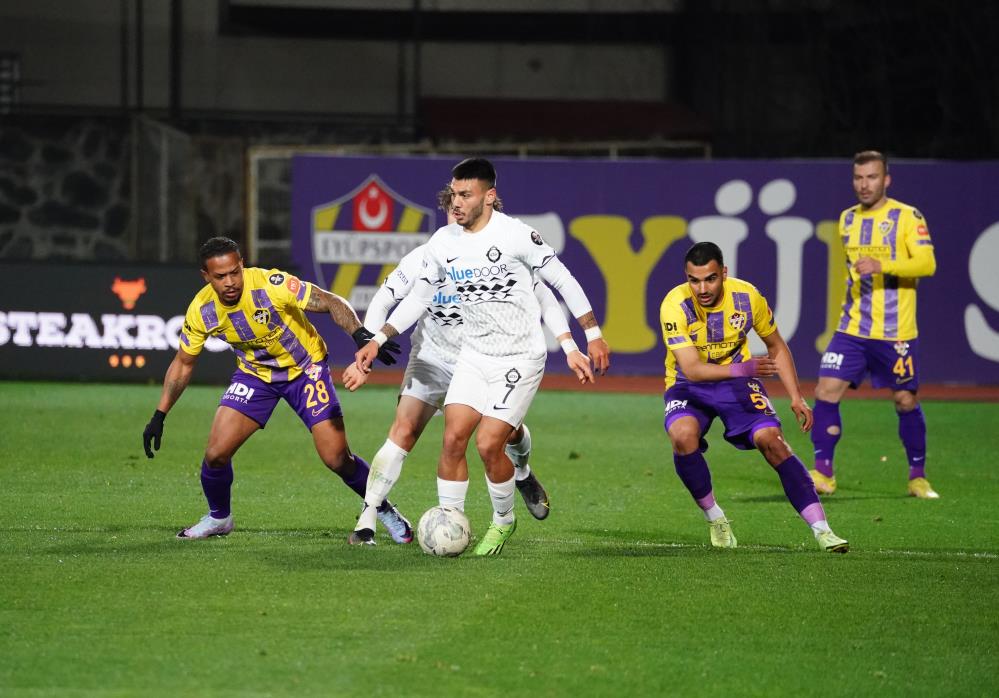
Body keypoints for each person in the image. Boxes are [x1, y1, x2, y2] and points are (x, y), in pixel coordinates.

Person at [355, 158, 610, 556]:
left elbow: (561, 282)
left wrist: (586, 338)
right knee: (453, 438)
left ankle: (504, 520)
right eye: (453, 194)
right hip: (473, 355)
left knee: (490, 443)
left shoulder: (516, 236)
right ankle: (450, 523)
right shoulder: (443, 243)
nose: (456, 203)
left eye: (465, 195)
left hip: (519, 356)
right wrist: (378, 338)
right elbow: (418, 298)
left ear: (489, 196)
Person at [141, 236, 411, 540]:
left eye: (234, 272)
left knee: (336, 458)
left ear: (242, 265)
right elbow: (183, 363)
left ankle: (382, 508)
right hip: (256, 377)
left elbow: (329, 300)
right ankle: (219, 517)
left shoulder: (271, 284)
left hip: (305, 370)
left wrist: (359, 333)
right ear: (206, 276)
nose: (230, 282)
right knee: (216, 454)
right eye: (220, 276)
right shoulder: (202, 310)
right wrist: (160, 414)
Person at [660, 241, 848, 552]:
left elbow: (776, 345)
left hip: (737, 383)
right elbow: (692, 370)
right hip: (688, 385)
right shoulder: (674, 305)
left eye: (710, 279)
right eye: (694, 280)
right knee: (682, 436)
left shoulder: (747, 296)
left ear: (724, 273)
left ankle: (823, 530)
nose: (702, 288)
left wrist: (796, 397)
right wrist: (743, 368)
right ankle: (715, 518)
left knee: (772, 441)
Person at [810, 151, 939, 499]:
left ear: (886, 180)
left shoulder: (907, 216)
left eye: (871, 177)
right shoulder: (847, 219)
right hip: (852, 328)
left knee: (905, 400)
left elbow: (927, 264)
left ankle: (917, 477)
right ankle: (823, 474)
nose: (864, 184)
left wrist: (882, 265)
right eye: (858, 178)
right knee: (825, 391)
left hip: (896, 332)